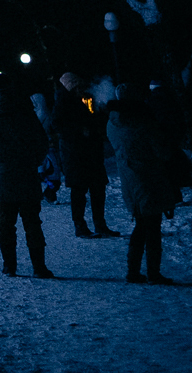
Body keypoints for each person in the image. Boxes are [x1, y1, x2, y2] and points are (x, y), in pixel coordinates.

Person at [0, 73, 53, 279]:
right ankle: (39, 267)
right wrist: (33, 161)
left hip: (1, 176)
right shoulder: (26, 113)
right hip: (26, 174)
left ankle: (9, 266)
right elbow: (41, 142)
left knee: (5, 223)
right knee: (32, 223)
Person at [107, 85, 177, 285]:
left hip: (130, 179)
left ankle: (134, 270)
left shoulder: (112, 123)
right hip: (149, 178)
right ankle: (152, 273)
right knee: (152, 227)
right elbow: (162, 151)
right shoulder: (142, 123)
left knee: (142, 224)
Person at [49, 73, 114, 236]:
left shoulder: (84, 98)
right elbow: (56, 125)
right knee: (79, 191)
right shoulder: (63, 102)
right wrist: (79, 131)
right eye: (76, 86)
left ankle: (100, 225)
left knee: (97, 189)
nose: (80, 89)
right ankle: (80, 225)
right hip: (75, 154)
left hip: (90, 151)